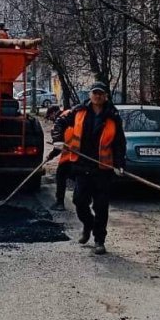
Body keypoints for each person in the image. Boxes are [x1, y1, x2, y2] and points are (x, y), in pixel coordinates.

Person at [52, 82, 126, 255]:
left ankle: (99, 240)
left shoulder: (113, 116)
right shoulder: (79, 111)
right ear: (90, 95)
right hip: (82, 166)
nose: (97, 96)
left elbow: (120, 143)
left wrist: (120, 164)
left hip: (103, 169)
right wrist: (57, 139)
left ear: (105, 96)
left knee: (101, 206)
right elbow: (60, 122)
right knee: (79, 201)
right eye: (95, 93)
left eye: (101, 93)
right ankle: (88, 224)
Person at [47, 108, 74, 211]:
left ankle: (60, 203)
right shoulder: (70, 115)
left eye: (50, 117)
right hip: (80, 156)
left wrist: (51, 155)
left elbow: (58, 146)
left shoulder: (60, 122)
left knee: (61, 176)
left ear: (53, 113)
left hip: (69, 157)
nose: (51, 120)